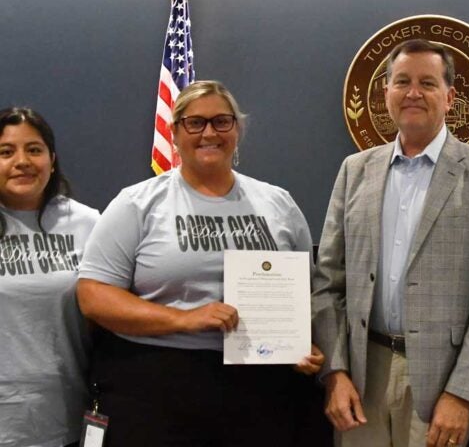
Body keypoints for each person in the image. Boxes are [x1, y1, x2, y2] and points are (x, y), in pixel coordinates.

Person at [76, 80, 324, 446]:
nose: (210, 132)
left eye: (222, 121)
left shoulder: (278, 203)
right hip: (155, 384)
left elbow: (310, 291)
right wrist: (186, 319)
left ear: (237, 129)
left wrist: (305, 344)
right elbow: (93, 295)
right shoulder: (137, 203)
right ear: (174, 132)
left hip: (262, 388)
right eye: (195, 122)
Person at [312, 39, 469, 447]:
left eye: (427, 82)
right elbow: (328, 281)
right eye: (401, 81)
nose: (413, 93)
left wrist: (462, 393)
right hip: (362, 374)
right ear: (385, 91)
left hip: (442, 381)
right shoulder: (355, 170)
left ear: (450, 96)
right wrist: (334, 373)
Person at [0, 107, 99, 447]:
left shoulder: (88, 223)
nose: (22, 161)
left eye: (34, 149)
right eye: (6, 152)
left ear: (52, 159)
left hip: (66, 414)